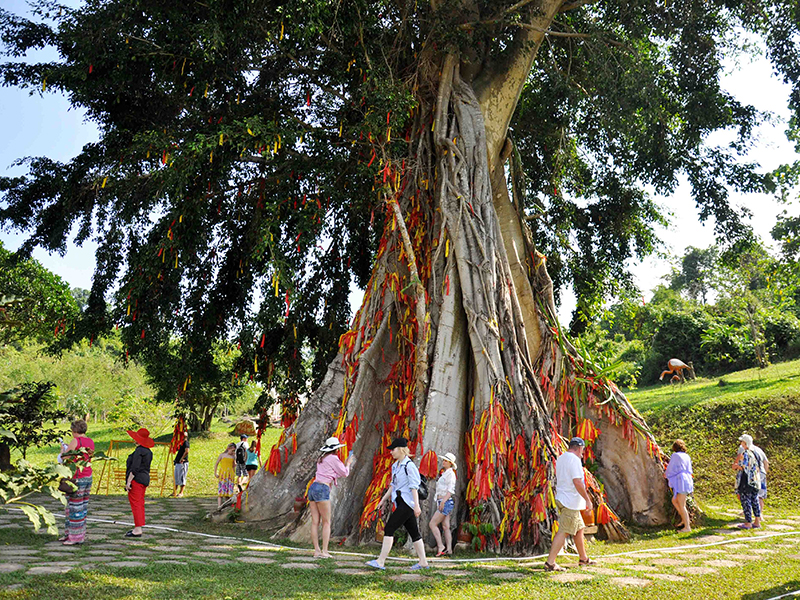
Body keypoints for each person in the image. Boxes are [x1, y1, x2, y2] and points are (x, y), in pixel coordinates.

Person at [367, 437, 429, 571]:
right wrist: (383, 500)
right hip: (400, 501)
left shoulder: (409, 466)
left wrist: (416, 505)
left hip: (408, 503)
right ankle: (423, 561)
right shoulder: (395, 466)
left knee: (389, 528)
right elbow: (393, 486)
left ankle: (381, 561)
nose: (391, 452)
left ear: (401, 450)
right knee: (414, 533)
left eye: (393, 449)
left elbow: (414, 487)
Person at [545, 437, 594, 572]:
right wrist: (588, 500)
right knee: (564, 531)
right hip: (570, 501)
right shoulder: (574, 460)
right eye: (582, 450)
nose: (583, 453)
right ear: (578, 448)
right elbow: (577, 482)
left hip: (563, 498)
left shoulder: (561, 458)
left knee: (579, 529)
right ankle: (550, 563)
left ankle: (583, 558)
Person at [308, 436, 354, 558]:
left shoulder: (321, 458)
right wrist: (348, 463)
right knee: (326, 522)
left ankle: (317, 550)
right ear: (336, 449)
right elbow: (344, 473)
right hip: (323, 488)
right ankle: (325, 551)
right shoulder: (333, 458)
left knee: (315, 522)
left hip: (313, 488)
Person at [60, 419, 94, 545]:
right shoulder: (90, 441)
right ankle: (77, 534)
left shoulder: (76, 441)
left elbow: (66, 458)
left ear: (74, 430)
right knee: (82, 506)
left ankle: (74, 537)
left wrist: (63, 451)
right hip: (87, 476)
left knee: (74, 507)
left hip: (76, 477)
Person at [125, 427, 154, 538]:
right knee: (140, 503)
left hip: (137, 479)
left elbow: (135, 467)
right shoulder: (148, 452)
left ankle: (138, 528)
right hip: (145, 478)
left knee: (136, 503)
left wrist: (128, 481)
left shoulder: (139, 451)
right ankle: (139, 525)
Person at [429, 452, 457, 557]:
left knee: (432, 524)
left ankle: (441, 546)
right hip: (442, 501)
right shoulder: (445, 473)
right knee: (445, 526)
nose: (443, 462)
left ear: (450, 463)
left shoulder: (451, 474)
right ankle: (449, 549)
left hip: (445, 501)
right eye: (444, 460)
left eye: (446, 461)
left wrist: (443, 501)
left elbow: (450, 490)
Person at [733, 434, 763, 529]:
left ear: (745, 443)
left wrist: (737, 466)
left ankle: (748, 522)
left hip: (747, 481)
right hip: (756, 480)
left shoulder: (746, 453)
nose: (741, 444)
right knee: (755, 501)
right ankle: (757, 521)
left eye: (742, 442)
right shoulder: (755, 453)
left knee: (746, 501)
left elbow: (744, 467)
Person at [664, 439, 693, 533]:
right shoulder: (686, 456)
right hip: (687, 479)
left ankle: (687, 527)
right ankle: (684, 520)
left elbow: (671, 467)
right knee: (675, 501)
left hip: (681, 481)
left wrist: (666, 474)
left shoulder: (675, 456)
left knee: (680, 503)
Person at [215, 443, 237, 508]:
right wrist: (215, 473)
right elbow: (216, 464)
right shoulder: (222, 455)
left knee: (228, 492)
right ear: (228, 448)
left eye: (234, 451)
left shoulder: (233, 457)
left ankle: (226, 506)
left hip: (230, 475)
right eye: (232, 450)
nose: (233, 452)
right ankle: (219, 506)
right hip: (223, 475)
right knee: (221, 490)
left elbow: (233, 466)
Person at [171, 433, 190, 497]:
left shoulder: (186, 443)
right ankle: (174, 491)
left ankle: (181, 492)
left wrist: (182, 458)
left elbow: (187, 451)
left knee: (182, 478)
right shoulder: (181, 443)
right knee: (176, 477)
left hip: (182, 463)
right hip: (178, 462)